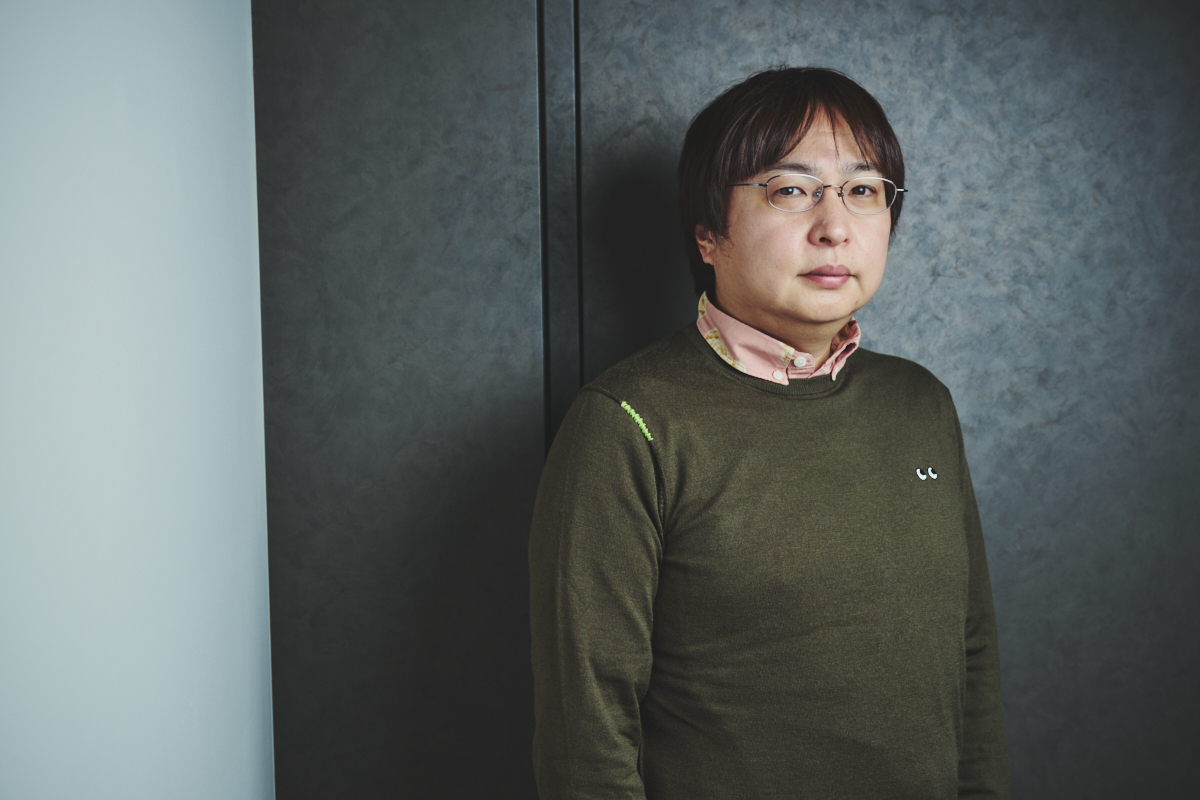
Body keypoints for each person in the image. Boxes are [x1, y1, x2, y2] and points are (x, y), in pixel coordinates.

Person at [528, 67, 1010, 800]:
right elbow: (587, 740)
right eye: (790, 189)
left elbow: (971, 656)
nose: (835, 226)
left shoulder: (920, 404)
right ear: (708, 233)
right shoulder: (629, 423)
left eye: (863, 189)